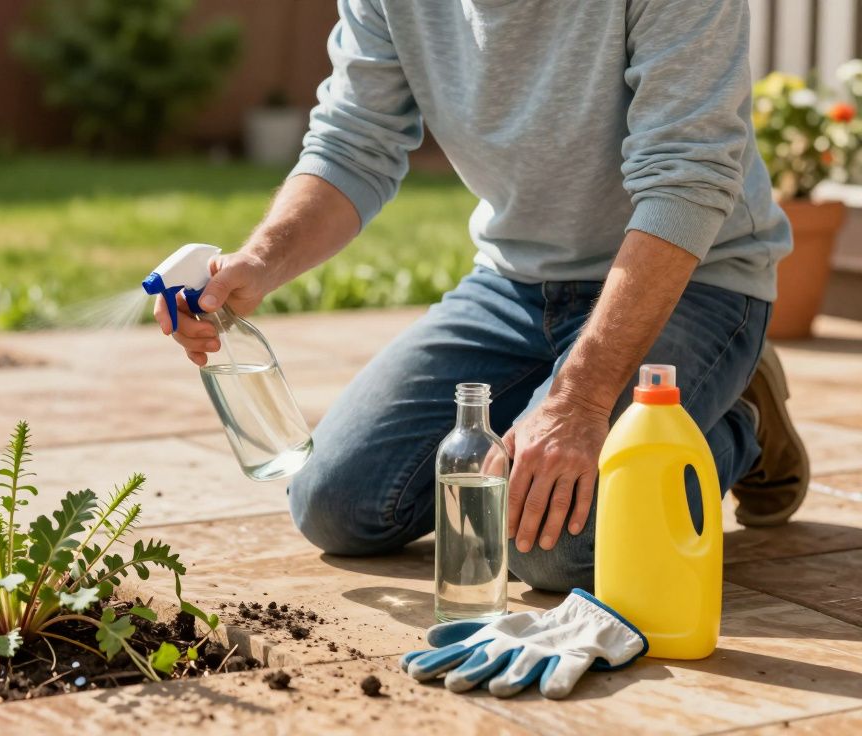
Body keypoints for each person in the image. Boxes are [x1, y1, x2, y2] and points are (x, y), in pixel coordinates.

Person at [154, 0, 809, 592]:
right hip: (515, 283)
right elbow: (354, 144)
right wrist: (258, 263)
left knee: (554, 550)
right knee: (336, 505)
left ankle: (732, 422)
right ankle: (697, 401)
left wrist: (579, 400)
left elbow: (686, 179)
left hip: (690, 282)